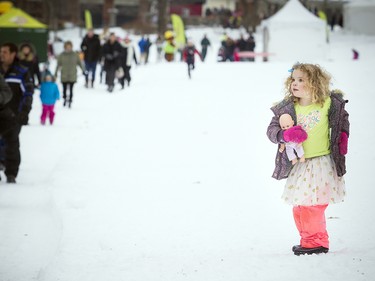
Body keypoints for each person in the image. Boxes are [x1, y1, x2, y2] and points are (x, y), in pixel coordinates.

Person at [266, 63, 350, 256]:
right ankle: (308, 239)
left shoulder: (328, 103)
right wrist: (283, 136)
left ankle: (317, 242)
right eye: (293, 79)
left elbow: (342, 119)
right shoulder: (287, 108)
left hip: (321, 163)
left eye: (301, 80)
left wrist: (343, 137)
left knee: (314, 205)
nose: (295, 83)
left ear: (314, 83)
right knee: (300, 206)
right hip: (301, 164)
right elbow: (271, 131)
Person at [0, 42, 34, 183]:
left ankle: (11, 172)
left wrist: (24, 111)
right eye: (0, 52)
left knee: (11, 143)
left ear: (13, 54)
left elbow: (28, 92)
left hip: (14, 115)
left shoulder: (21, 71)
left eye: (5, 52)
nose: (2, 54)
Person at [55, 41, 84, 108]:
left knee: (71, 89)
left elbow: (80, 63)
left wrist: (83, 70)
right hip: (64, 75)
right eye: (67, 47)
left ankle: (70, 100)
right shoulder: (61, 55)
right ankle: (65, 98)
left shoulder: (75, 55)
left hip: (72, 74)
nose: (68, 48)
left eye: (69, 47)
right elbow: (58, 65)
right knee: (64, 89)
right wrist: (55, 74)